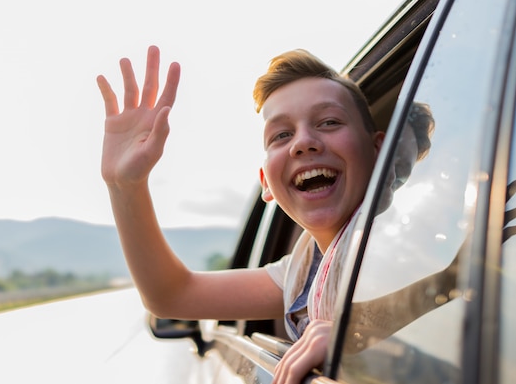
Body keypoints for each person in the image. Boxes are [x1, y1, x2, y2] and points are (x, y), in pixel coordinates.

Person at [96, 45, 433, 384]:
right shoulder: (299, 275)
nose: (303, 142)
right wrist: (126, 185)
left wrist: (363, 342)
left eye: (329, 122)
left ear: (378, 150)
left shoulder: (416, 243)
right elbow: (171, 295)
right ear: (266, 184)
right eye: (281, 135)